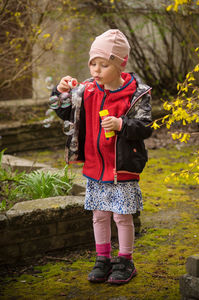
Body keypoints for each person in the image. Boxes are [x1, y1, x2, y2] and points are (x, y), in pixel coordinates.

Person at [50, 29, 153, 285]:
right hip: (96, 168)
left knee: (122, 216)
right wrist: (60, 92)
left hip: (123, 167)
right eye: (92, 63)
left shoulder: (136, 93)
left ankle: (126, 261)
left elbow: (145, 126)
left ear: (120, 64)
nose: (96, 69)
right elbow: (61, 112)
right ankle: (103, 258)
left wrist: (121, 124)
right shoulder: (87, 91)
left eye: (103, 64)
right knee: (99, 215)